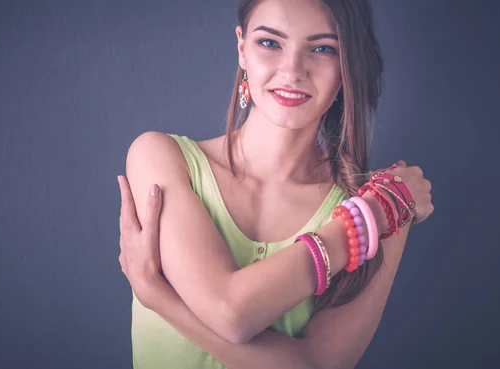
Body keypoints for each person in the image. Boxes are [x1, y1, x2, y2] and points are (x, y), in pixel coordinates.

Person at [117, 0, 434, 368]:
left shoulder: (382, 209)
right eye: (270, 42)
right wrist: (365, 221)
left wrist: (158, 296)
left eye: (322, 48)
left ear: (348, 66)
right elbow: (230, 312)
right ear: (241, 47)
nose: (292, 70)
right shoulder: (160, 157)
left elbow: (314, 365)